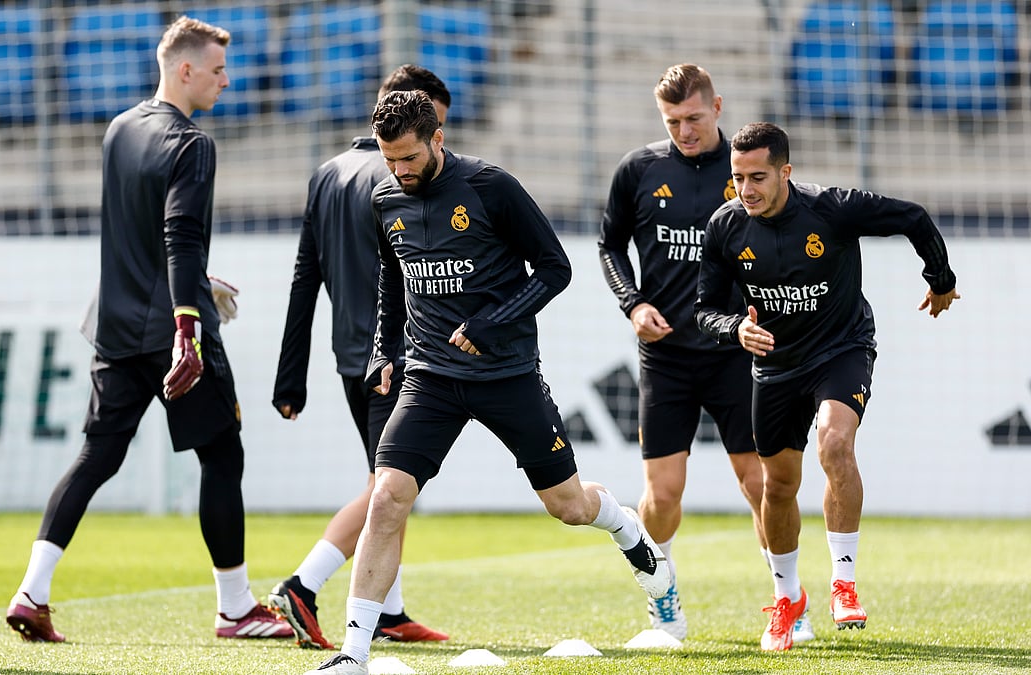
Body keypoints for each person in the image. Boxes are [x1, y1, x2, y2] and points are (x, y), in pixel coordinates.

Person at [304, 90, 672, 675]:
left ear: (437, 140)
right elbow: (391, 284)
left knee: (568, 506)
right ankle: (354, 653)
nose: (399, 171)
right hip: (429, 376)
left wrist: (491, 322)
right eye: (388, 159)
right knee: (387, 494)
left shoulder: (491, 188)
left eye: (408, 159)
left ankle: (626, 527)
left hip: (507, 374)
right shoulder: (383, 198)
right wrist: (383, 351)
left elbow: (556, 269)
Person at [4, 16, 291, 643]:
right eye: (217, 69)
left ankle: (32, 591)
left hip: (114, 325)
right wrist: (190, 318)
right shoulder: (193, 144)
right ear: (184, 69)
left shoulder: (119, 129)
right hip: (173, 331)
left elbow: (141, 231)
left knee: (95, 457)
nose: (226, 80)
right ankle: (236, 608)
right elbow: (179, 233)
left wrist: (194, 278)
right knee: (223, 457)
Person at [695, 122, 959, 651]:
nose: (746, 189)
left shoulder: (833, 208)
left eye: (758, 177)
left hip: (841, 349)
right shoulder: (725, 228)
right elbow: (703, 310)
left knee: (834, 445)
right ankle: (787, 597)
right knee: (778, 487)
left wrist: (941, 280)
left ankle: (844, 581)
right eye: (738, 178)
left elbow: (914, 217)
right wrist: (735, 329)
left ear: (785, 172)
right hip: (774, 367)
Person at [597, 64, 813, 643]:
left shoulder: (748, 167)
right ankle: (662, 605)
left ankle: (788, 600)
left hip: (737, 351)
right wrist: (633, 304)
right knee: (662, 494)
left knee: (759, 483)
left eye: (694, 117)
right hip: (666, 356)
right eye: (672, 121)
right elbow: (610, 244)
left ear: (718, 106)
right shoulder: (638, 170)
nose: (684, 130)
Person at [268, 65, 452, 650]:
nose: (436, 140)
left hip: (352, 360)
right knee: (388, 486)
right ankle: (304, 582)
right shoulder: (400, 180)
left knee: (392, 484)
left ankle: (390, 612)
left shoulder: (327, 173)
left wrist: (288, 376)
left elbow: (305, 277)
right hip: (398, 356)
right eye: (436, 124)